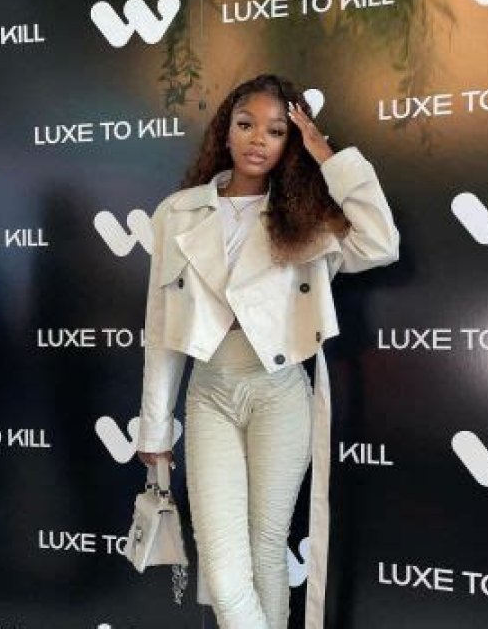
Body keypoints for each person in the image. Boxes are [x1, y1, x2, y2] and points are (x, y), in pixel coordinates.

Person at [136, 73, 400, 629]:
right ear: (225, 131)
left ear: (290, 142)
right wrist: (155, 429)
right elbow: (160, 327)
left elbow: (380, 243)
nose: (258, 139)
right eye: (246, 124)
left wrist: (328, 156)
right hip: (209, 393)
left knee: (265, 551)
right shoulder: (178, 212)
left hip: (280, 392)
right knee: (224, 570)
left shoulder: (303, 216)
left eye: (276, 130)